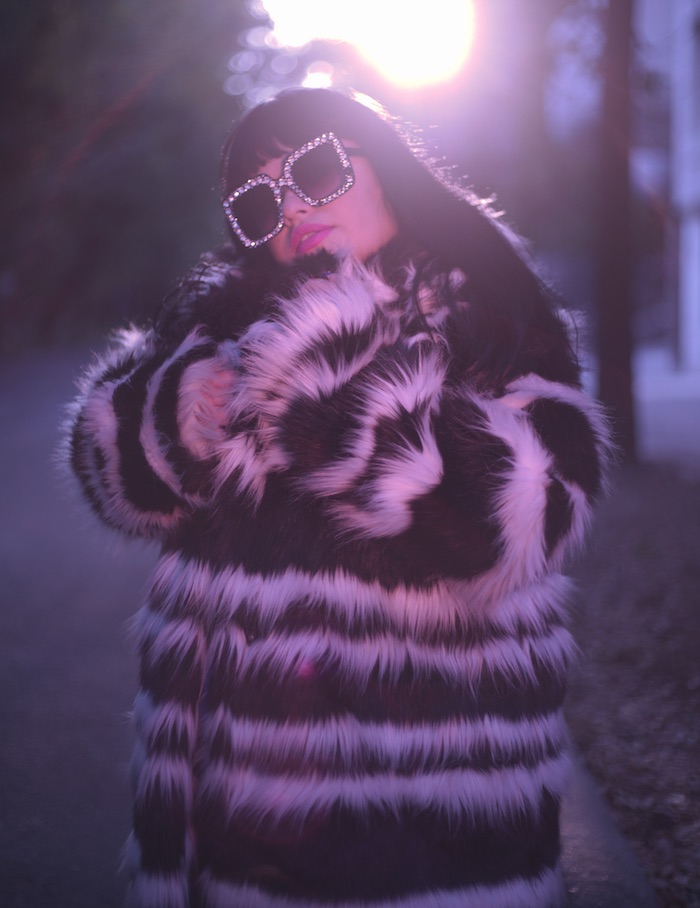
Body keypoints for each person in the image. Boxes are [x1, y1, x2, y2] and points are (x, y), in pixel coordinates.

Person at [67, 87, 612, 908]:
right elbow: (108, 469)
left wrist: (329, 391)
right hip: (232, 811)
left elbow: (533, 514)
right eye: (259, 204)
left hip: (427, 812)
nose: (291, 208)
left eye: (316, 169)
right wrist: (176, 412)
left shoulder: (486, 316)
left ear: (383, 165)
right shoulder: (223, 326)